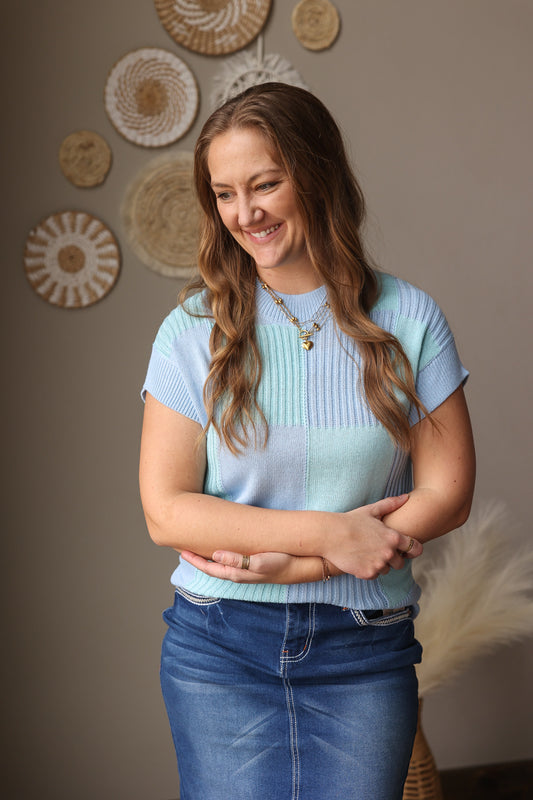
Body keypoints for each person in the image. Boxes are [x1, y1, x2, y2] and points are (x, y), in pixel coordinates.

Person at [139, 82, 475, 800]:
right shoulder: (190, 331)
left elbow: (447, 493)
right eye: (224, 194)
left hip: (364, 648)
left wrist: (301, 567)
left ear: (317, 176)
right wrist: (328, 536)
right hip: (218, 649)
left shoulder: (410, 318)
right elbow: (166, 511)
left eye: (265, 184)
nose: (245, 213)